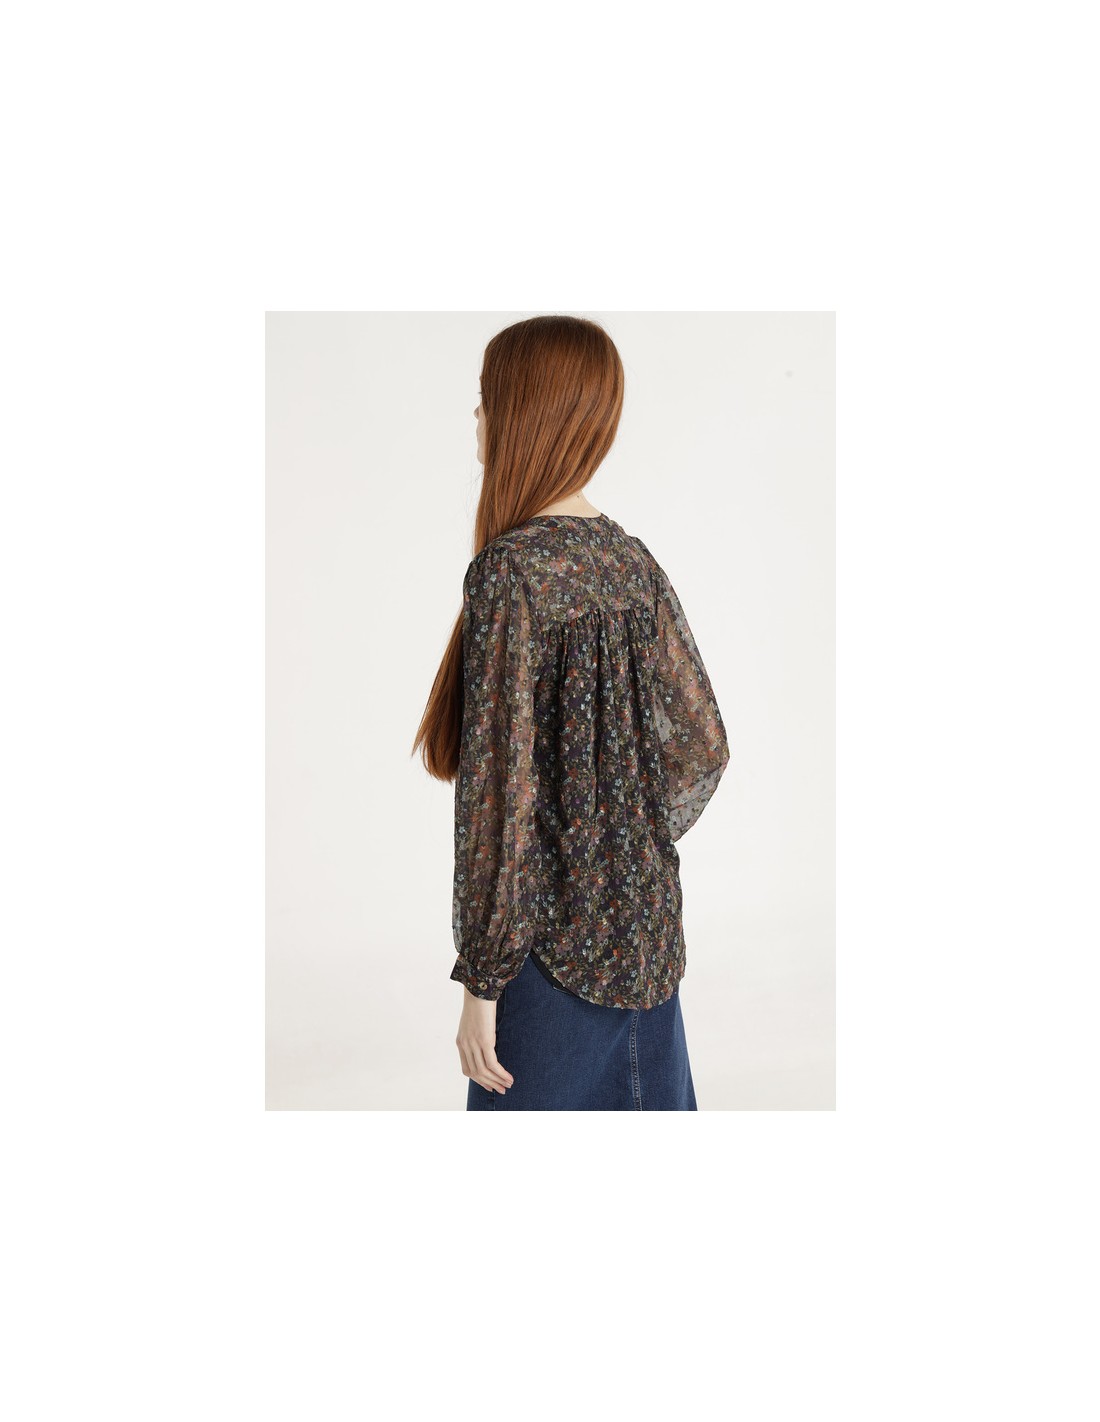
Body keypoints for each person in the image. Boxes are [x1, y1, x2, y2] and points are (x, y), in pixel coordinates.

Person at [412, 315, 730, 1110]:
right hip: (649, 947)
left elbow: (499, 796)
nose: (477, 416)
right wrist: (621, 846)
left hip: (547, 967)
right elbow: (703, 744)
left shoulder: (511, 572)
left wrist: (482, 982)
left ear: (527, 413)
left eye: (487, 398)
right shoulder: (631, 560)